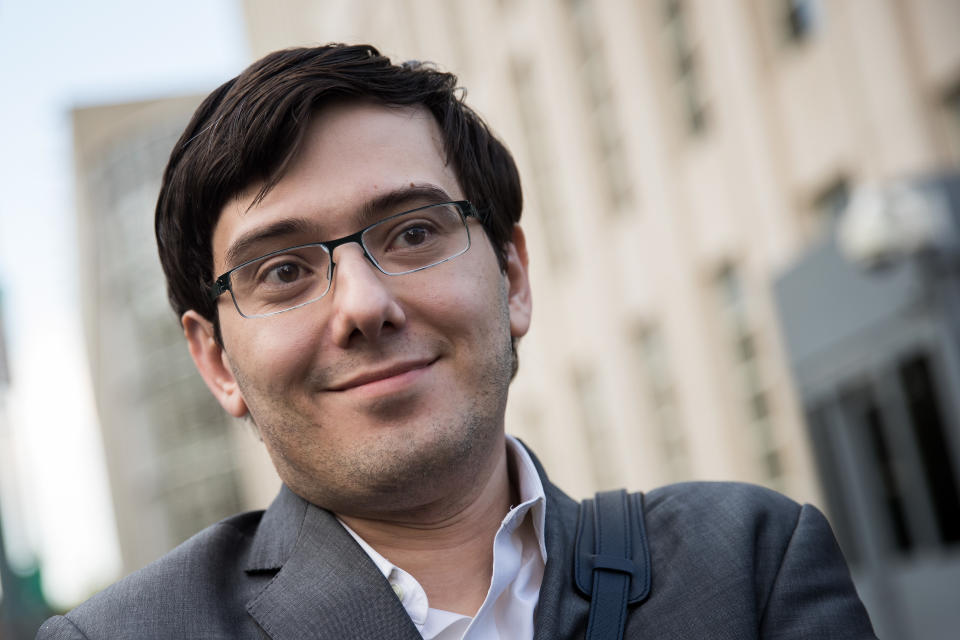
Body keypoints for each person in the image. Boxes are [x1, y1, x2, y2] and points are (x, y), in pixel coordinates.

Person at [37, 44, 876, 639]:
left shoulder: (750, 567)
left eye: (410, 234)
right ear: (217, 360)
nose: (363, 306)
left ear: (512, 276)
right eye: (284, 271)